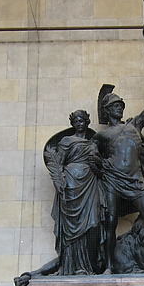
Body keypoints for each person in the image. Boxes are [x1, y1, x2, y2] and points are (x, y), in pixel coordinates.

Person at [93, 88, 144, 273]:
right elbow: (88, 154)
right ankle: (108, 266)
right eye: (115, 106)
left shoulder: (134, 125)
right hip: (112, 180)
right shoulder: (101, 136)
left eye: (121, 105)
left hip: (136, 180)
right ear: (106, 111)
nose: (119, 108)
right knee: (110, 221)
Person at [43, 110, 105, 275]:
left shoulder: (93, 144)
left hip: (90, 184)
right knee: (72, 227)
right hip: (71, 184)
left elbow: (102, 170)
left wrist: (96, 163)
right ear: (73, 123)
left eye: (82, 120)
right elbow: (58, 163)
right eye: (76, 121)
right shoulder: (66, 141)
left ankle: (89, 266)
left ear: (87, 122)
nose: (79, 123)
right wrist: (59, 182)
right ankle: (72, 267)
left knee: (93, 224)